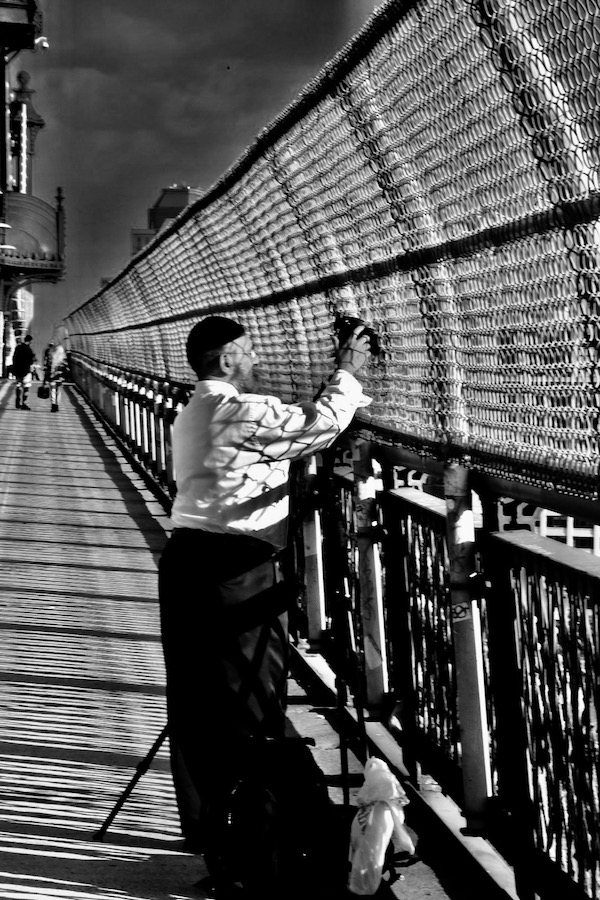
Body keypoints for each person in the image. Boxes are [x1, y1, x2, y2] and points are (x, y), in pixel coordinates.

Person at [158, 314, 371, 896]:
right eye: (247, 352)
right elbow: (319, 424)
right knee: (253, 709)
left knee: (199, 705)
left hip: (184, 566)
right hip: (233, 571)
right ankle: (263, 853)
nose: (255, 361)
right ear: (225, 359)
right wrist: (347, 372)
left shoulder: (190, 414)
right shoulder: (237, 411)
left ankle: (219, 839)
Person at [11, 334, 35, 410]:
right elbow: (31, 361)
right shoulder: (29, 350)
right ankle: (24, 403)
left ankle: (17, 401)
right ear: (30, 341)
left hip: (18, 370)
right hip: (26, 371)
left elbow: (14, 358)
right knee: (26, 387)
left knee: (18, 385)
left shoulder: (18, 348)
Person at [43, 341, 67, 412]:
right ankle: (57, 405)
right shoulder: (62, 353)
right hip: (59, 375)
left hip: (52, 374)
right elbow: (65, 364)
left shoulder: (49, 353)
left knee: (52, 390)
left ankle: (53, 405)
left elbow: (46, 365)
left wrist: (46, 377)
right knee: (58, 390)